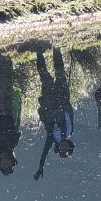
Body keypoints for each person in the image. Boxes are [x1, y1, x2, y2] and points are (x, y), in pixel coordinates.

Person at [33, 47, 74, 180]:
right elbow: (69, 113)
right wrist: (65, 102)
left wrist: (41, 167)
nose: (63, 147)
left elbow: (44, 152)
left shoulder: (52, 138)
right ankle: (56, 48)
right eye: (66, 148)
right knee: (60, 73)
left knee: (44, 76)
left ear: (58, 148)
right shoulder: (70, 131)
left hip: (49, 102)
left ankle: (38, 51)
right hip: (62, 99)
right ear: (69, 145)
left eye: (62, 150)